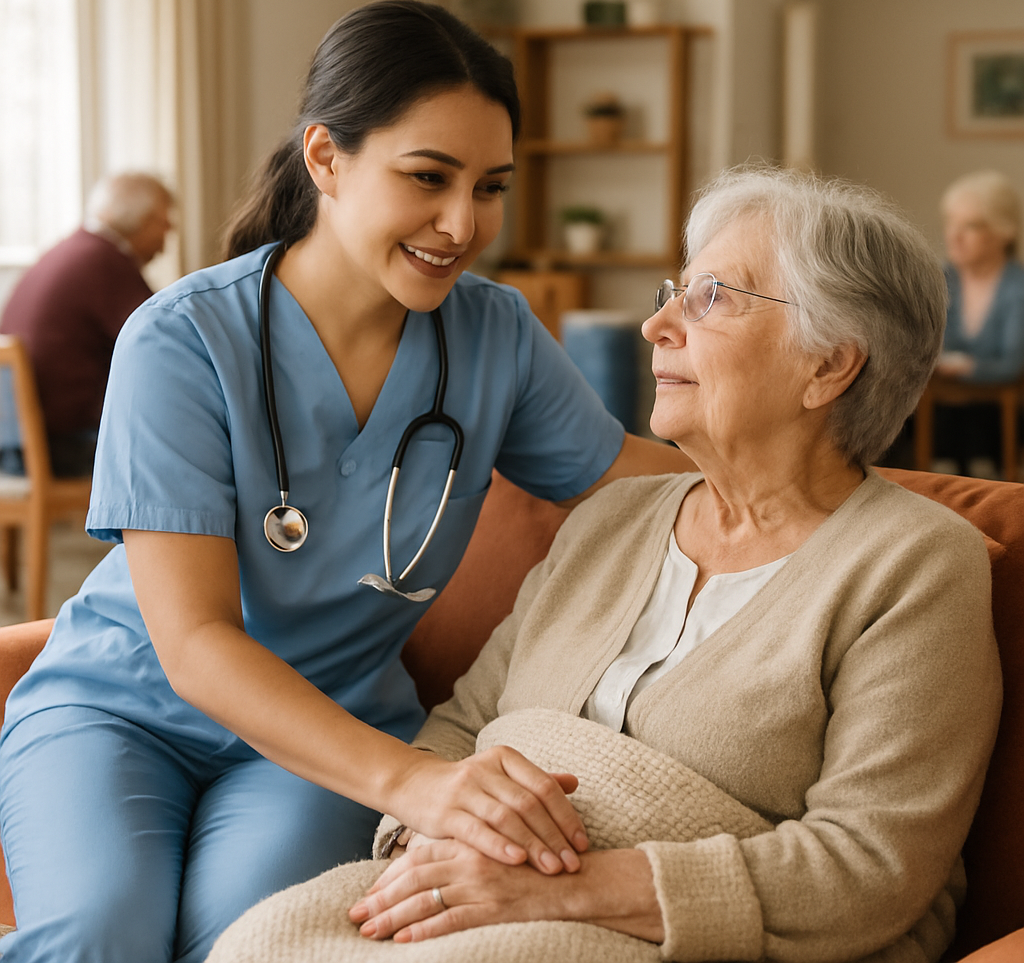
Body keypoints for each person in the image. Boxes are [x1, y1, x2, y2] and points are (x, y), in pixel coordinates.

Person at [0, 0, 687, 963]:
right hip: (121, 709)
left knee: (247, 943)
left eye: (490, 187)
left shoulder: (495, 338)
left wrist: (849, 494)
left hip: (328, 729)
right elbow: (195, 643)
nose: (462, 224)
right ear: (326, 159)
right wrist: (414, 783)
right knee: (97, 939)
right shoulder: (183, 340)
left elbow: (633, 481)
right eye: (427, 178)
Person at [205, 167, 1002, 963]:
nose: (657, 326)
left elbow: (873, 867)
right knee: (257, 944)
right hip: (478, 889)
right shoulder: (611, 521)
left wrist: (563, 887)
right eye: (673, 292)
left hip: (692, 934)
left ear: (829, 364)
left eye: (713, 297)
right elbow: (460, 726)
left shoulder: (918, 564)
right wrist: (435, 844)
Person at [0, 172, 174, 477]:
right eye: (163, 219)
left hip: (15, 445)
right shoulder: (106, 262)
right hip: (64, 447)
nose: (169, 230)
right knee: (190, 451)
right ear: (140, 220)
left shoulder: (65, 252)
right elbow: (168, 343)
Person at [933, 169, 1024, 476]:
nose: (954, 236)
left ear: (1003, 231)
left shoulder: (1018, 288)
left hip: (1000, 423)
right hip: (940, 417)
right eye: (950, 223)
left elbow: (1010, 366)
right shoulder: (939, 281)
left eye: (970, 226)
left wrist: (963, 369)